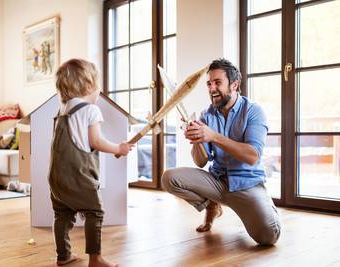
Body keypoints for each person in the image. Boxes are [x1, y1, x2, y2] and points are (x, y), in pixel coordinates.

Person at [162, 58, 281, 245]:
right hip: (217, 182)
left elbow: (252, 156)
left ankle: (265, 205)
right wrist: (197, 140)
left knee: (269, 237)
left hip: (246, 184)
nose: (211, 89)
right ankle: (212, 205)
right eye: (209, 83)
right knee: (169, 178)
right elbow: (201, 162)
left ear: (234, 85)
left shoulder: (254, 111)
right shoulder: (207, 115)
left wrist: (213, 136)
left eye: (218, 83)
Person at [48, 58, 133, 267]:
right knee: (95, 212)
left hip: (56, 176)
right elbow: (96, 141)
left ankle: (63, 256)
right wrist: (119, 149)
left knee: (62, 215)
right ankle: (95, 259)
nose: (99, 91)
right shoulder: (90, 110)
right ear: (88, 87)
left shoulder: (62, 111)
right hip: (78, 175)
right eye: (98, 86)